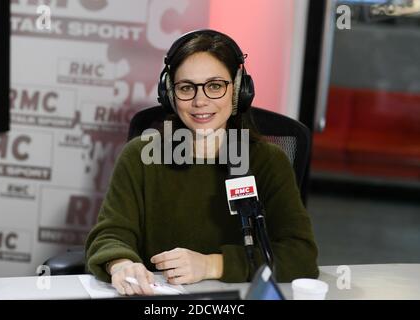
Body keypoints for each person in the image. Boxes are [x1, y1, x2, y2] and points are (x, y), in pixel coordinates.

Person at [85, 29, 319, 296]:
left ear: (238, 91)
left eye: (215, 86)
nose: (200, 101)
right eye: (186, 88)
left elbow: (300, 255)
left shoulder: (268, 161)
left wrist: (211, 264)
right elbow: (109, 235)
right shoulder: (141, 155)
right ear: (170, 94)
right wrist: (121, 264)